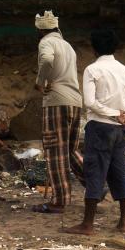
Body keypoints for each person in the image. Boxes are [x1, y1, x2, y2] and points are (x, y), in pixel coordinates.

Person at [62, 29, 125, 236]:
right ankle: (124, 221)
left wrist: (114, 114)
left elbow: (89, 102)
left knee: (95, 172)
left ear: (93, 48)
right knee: (119, 171)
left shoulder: (92, 69)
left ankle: (87, 224)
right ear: (115, 47)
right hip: (118, 131)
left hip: (99, 127)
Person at [31, 11, 84, 214]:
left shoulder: (46, 42)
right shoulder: (68, 46)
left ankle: (59, 201)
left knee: (55, 152)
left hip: (56, 102)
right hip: (75, 102)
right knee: (70, 151)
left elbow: (46, 60)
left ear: (41, 29)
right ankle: (97, 185)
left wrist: (40, 82)